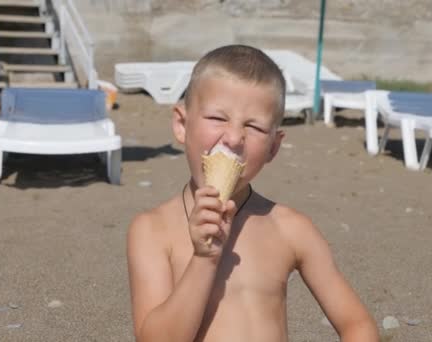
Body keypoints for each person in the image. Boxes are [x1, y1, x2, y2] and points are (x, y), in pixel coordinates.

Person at [127, 45, 378, 342]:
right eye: (218, 119)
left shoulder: (291, 228)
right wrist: (204, 259)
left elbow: (357, 324)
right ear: (182, 125)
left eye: (254, 127)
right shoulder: (152, 230)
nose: (233, 138)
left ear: (274, 146)